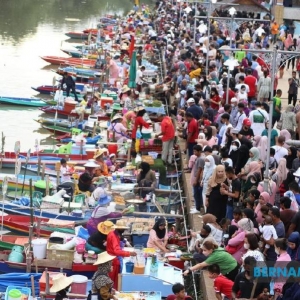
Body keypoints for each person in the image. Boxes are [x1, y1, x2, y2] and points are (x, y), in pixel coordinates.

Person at [106, 220, 137, 289]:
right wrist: (129, 253)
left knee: (111, 280)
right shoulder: (113, 236)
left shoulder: (112, 233)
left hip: (110, 258)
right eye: (123, 229)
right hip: (113, 260)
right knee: (114, 280)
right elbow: (117, 251)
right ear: (119, 229)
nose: (123, 231)